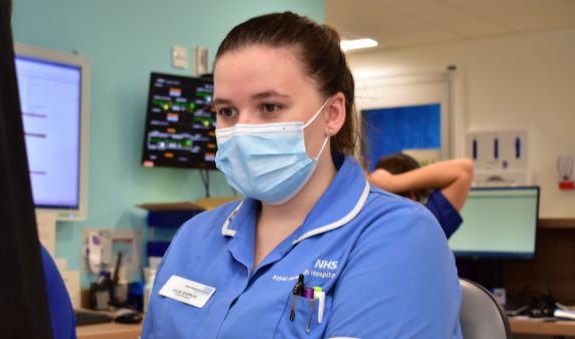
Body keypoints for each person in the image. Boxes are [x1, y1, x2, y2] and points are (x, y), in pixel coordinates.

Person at [141, 12, 461, 338]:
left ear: (332, 114)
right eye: (226, 111)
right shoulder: (193, 237)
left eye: (269, 107)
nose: (242, 130)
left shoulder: (401, 236)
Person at [368, 153, 474, 239]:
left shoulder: (368, 228)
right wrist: (392, 182)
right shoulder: (425, 223)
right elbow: (464, 170)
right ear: (413, 194)